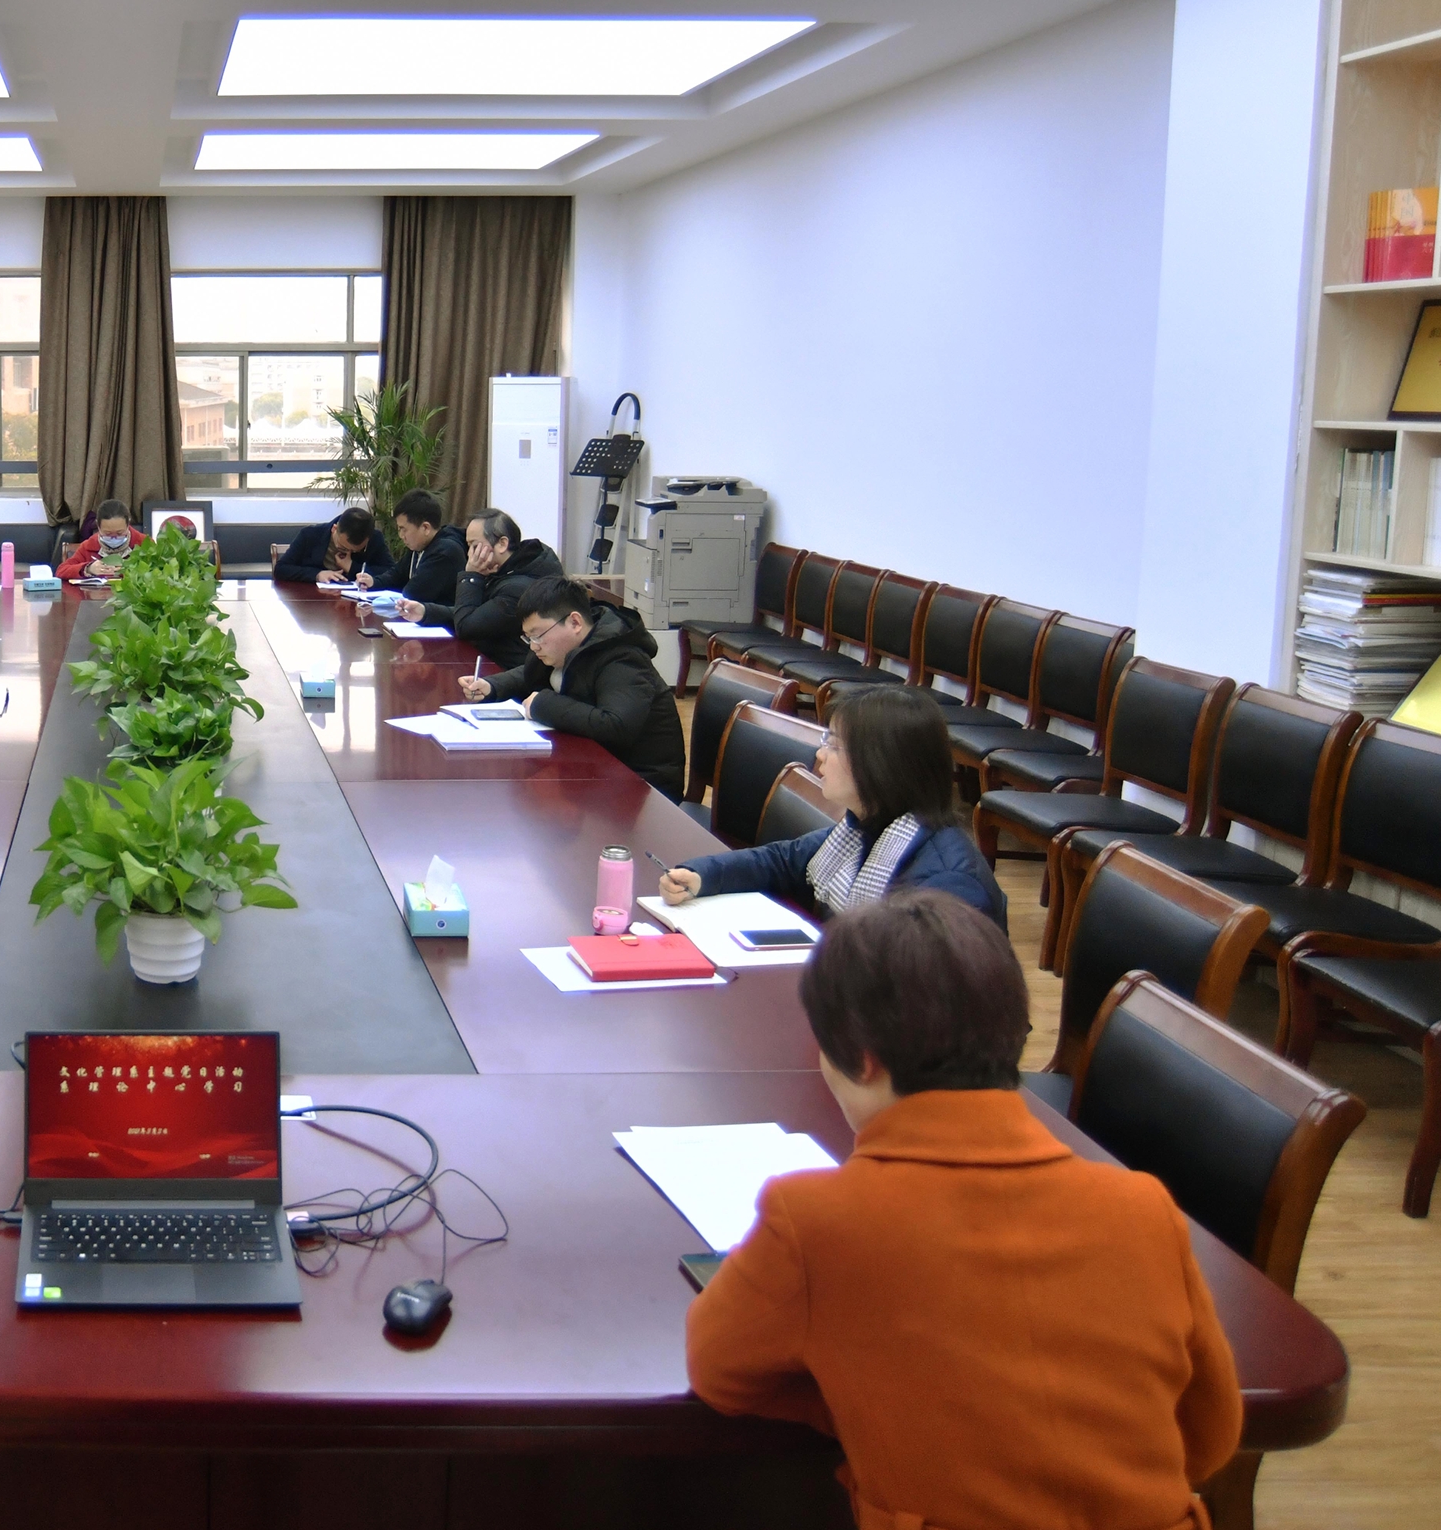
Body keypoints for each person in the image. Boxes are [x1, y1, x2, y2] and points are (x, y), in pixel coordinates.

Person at [686, 893, 1240, 1530]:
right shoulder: (1143, 1209)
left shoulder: (814, 1219)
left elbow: (718, 1372)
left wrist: (856, 1405)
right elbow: (1210, 1435)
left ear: (861, 1059)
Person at [660, 685, 1007, 926]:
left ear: (882, 765)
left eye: (835, 745)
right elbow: (783, 861)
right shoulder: (865, 829)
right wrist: (702, 875)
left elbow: (924, 998)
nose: (820, 754)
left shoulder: (948, 886)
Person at [456, 575, 683, 797]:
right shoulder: (567, 646)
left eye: (537, 636)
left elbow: (616, 726)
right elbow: (528, 675)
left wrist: (543, 704)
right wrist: (492, 685)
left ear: (575, 622)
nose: (533, 646)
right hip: (598, 770)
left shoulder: (622, 659)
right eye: (528, 638)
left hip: (642, 788)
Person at [398, 507, 563, 669]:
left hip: (506, 672)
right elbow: (478, 613)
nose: (469, 554)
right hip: (486, 663)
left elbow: (467, 627)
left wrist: (470, 575)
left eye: (474, 546)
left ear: (502, 544)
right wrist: (425, 611)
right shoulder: (505, 570)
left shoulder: (518, 588)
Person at [376, 489, 464, 607]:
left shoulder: (445, 552)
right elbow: (396, 575)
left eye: (404, 529)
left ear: (425, 528)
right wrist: (373, 582)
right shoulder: (420, 546)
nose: (401, 536)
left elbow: (413, 594)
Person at [272, 505, 391, 585]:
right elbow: (281, 569)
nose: (349, 552)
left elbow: (391, 573)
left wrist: (352, 567)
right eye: (343, 547)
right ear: (334, 529)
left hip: (356, 605)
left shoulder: (375, 538)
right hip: (314, 603)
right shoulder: (310, 535)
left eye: (357, 550)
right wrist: (317, 575)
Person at [56, 500, 146, 579]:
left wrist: (130, 570)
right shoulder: (89, 546)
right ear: (98, 527)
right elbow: (61, 570)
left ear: (128, 524)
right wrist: (88, 568)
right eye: (107, 533)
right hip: (96, 592)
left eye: (119, 533)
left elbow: (154, 571)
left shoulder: (143, 543)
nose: (113, 538)